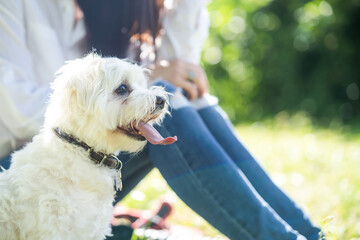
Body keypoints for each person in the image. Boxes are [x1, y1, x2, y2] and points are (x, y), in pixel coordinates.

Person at [0, 0, 323, 239]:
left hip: (86, 168)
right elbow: (14, 109)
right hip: (22, 177)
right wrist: (136, 87)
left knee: (184, 100)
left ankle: (306, 232)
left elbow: (181, 75)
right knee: (164, 95)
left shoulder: (109, 8)